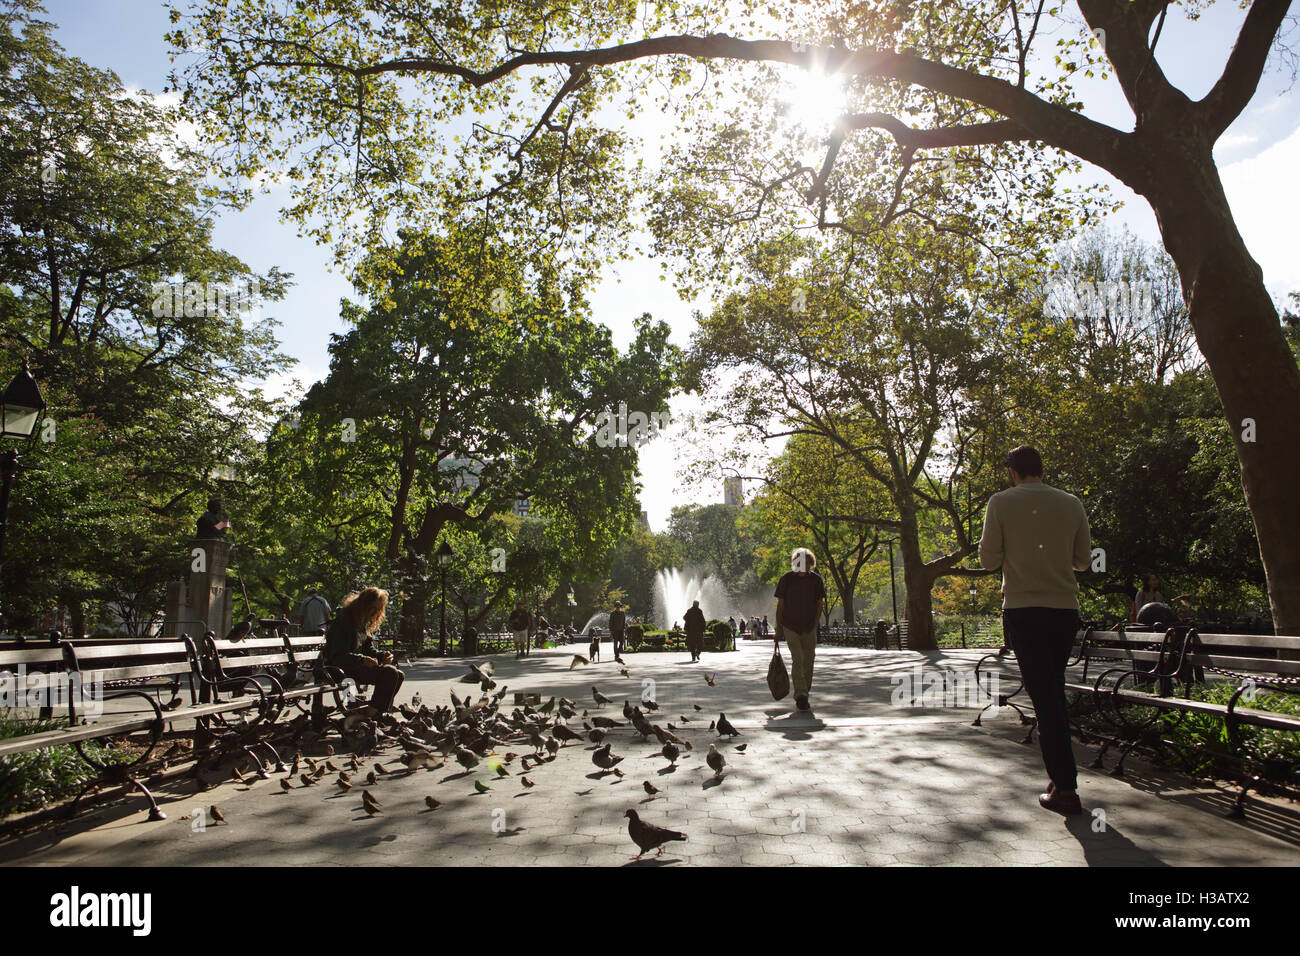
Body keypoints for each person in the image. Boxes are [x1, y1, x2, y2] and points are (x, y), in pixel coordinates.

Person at [979, 445, 1091, 816]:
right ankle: (1060, 779)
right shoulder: (1071, 503)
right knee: (1051, 691)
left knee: (1046, 698)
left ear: (1012, 472)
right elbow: (1083, 561)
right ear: (1041, 469)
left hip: (1024, 610)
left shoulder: (1001, 502)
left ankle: (1067, 788)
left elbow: (989, 559)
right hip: (1063, 610)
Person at [323, 587, 404, 714]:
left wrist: (382, 656)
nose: (375, 612)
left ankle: (378, 710)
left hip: (353, 667)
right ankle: (372, 713)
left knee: (398, 675)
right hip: (340, 669)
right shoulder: (344, 622)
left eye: (378, 609)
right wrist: (361, 660)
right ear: (363, 605)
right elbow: (338, 655)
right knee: (390, 673)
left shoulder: (361, 623)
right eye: (373, 608)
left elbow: (367, 648)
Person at [774, 547, 827, 712]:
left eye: (804, 561)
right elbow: (780, 605)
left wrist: (816, 622)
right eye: (798, 561)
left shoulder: (816, 580)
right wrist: (779, 628)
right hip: (790, 625)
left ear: (810, 563)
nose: (801, 564)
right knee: (798, 658)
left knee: (809, 660)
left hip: (809, 626)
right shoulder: (786, 579)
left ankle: (805, 691)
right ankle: (801, 695)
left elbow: (820, 604)